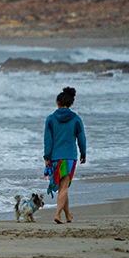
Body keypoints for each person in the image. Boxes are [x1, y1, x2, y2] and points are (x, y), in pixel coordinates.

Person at [43, 86, 86, 224]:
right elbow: (81, 138)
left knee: (63, 187)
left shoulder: (50, 119)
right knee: (64, 187)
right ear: (71, 103)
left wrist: (47, 157)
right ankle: (58, 214)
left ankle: (67, 216)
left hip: (55, 157)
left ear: (58, 103)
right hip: (69, 157)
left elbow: (48, 140)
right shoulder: (76, 118)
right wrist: (83, 153)